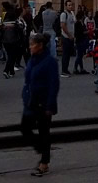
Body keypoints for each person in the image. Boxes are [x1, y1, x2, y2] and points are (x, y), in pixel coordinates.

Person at [21, 33, 60, 176]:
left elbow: (54, 84)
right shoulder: (32, 59)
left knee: (44, 132)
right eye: (30, 44)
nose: (30, 47)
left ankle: (44, 163)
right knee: (25, 128)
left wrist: (50, 104)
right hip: (30, 100)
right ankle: (41, 148)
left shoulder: (50, 62)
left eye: (33, 44)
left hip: (44, 102)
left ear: (41, 46)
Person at [0, 8, 25, 79]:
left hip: (5, 41)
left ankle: (11, 71)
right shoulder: (15, 23)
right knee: (12, 56)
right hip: (14, 41)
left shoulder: (4, 23)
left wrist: (0, 42)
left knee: (10, 55)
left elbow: (1, 33)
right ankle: (6, 70)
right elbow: (21, 31)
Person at [59, 1, 76, 77]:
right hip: (66, 36)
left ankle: (66, 69)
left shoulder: (72, 14)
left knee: (68, 54)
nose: (70, 6)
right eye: (69, 5)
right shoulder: (64, 14)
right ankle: (63, 70)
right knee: (65, 54)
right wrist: (68, 34)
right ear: (66, 6)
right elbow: (63, 25)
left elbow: (74, 22)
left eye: (71, 5)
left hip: (71, 36)